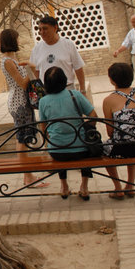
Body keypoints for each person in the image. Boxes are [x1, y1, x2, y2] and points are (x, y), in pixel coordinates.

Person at [39, 66, 98, 200]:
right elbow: (93, 115)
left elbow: (44, 128)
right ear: (64, 80)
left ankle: (64, 186)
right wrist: (85, 129)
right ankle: (84, 187)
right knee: (86, 146)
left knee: (58, 144)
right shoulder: (75, 95)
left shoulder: (43, 102)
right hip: (81, 150)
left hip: (57, 151)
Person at [0, 28, 49, 188]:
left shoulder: (12, 59)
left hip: (22, 101)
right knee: (22, 139)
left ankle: (28, 175)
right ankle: (27, 177)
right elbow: (22, 83)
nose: (19, 41)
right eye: (17, 38)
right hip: (18, 103)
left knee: (25, 138)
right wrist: (32, 68)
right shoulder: (7, 61)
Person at [103, 62, 135, 200]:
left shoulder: (109, 100)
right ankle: (130, 185)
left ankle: (118, 188)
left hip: (124, 148)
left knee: (104, 148)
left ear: (112, 80)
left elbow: (110, 132)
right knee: (134, 137)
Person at [30, 15, 87, 94]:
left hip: (68, 90)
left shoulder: (68, 45)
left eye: (45, 28)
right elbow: (36, 72)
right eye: (40, 29)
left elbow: (78, 68)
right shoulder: (36, 49)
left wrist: (83, 89)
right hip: (47, 93)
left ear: (55, 27)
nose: (42, 32)